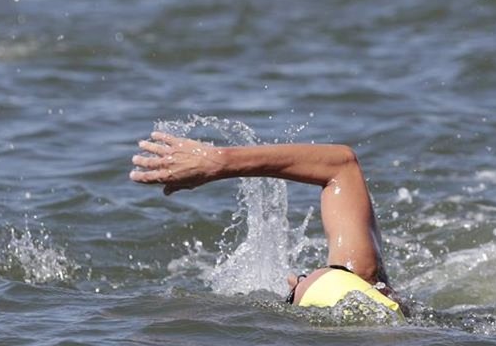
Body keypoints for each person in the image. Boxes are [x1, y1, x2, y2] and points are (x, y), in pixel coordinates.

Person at [130, 132, 404, 315]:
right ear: (383, 292)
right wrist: (220, 162)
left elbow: (342, 165)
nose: (300, 276)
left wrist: (219, 162)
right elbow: (342, 166)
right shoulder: (366, 280)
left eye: (296, 289)